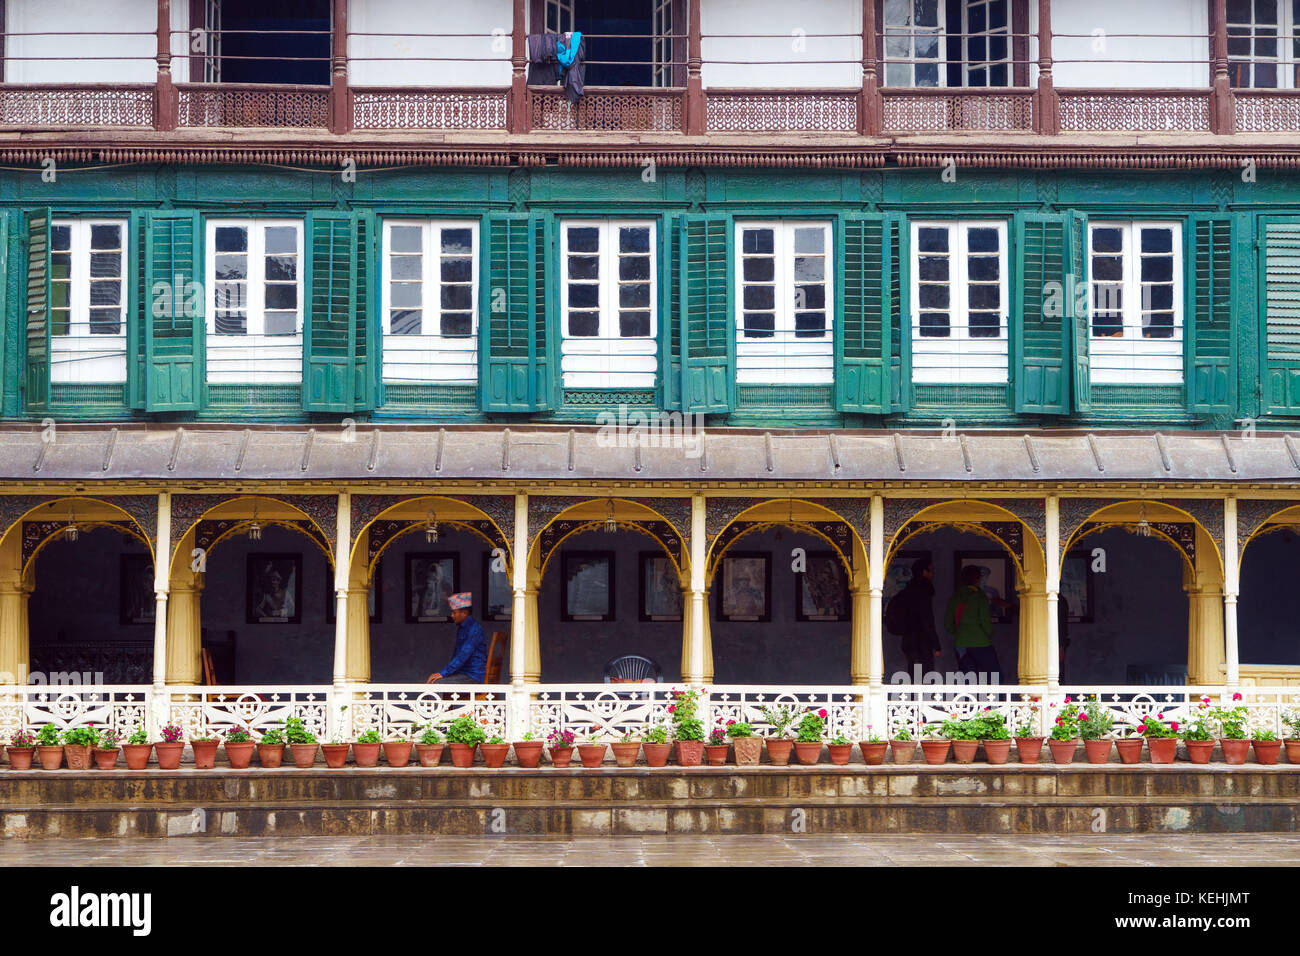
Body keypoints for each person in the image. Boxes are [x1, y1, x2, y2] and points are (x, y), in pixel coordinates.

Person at [888, 556, 941, 680]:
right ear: (924, 572)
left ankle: (914, 698)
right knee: (926, 676)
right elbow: (927, 619)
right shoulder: (924, 591)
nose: (934, 574)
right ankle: (923, 699)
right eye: (931, 570)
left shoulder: (908, 590)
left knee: (914, 674)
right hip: (922, 641)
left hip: (909, 640)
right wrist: (936, 645)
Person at [946, 564, 1000, 680]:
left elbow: (948, 625)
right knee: (995, 677)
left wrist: (960, 633)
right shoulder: (980, 597)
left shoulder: (955, 597)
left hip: (961, 644)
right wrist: (988, 634)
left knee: (968, 680)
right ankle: (996, 698)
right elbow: (986, 622)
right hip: (981, 643)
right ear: (978, 579)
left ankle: (968, 699)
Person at [426, 592, 488, 684]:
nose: (452, 615)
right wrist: (446, 672)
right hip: (464, 673)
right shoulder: (464, 628)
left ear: (464, 613)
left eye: (454, 612)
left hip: (473, 675)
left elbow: (463, 654)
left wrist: (444, 673)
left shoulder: (474, 629)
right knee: (434, 680)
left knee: (436, 683)